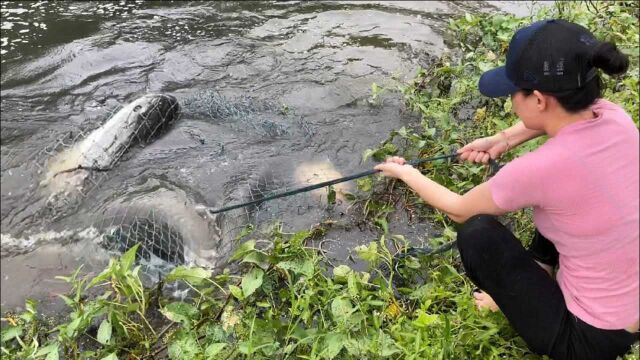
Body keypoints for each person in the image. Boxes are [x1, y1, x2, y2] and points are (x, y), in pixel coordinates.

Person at [374, 19, 638, 360]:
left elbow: (459, 207)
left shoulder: (539, 169)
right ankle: (542, 269)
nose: (511, 99)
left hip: (588, 341)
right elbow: (553, 127)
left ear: (539, 99)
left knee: (478, 233)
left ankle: (522, 293)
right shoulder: (615, 118)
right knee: (574, 201)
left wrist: (406, 173)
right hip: (630, 304)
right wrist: (502, 139)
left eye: (514, 91)